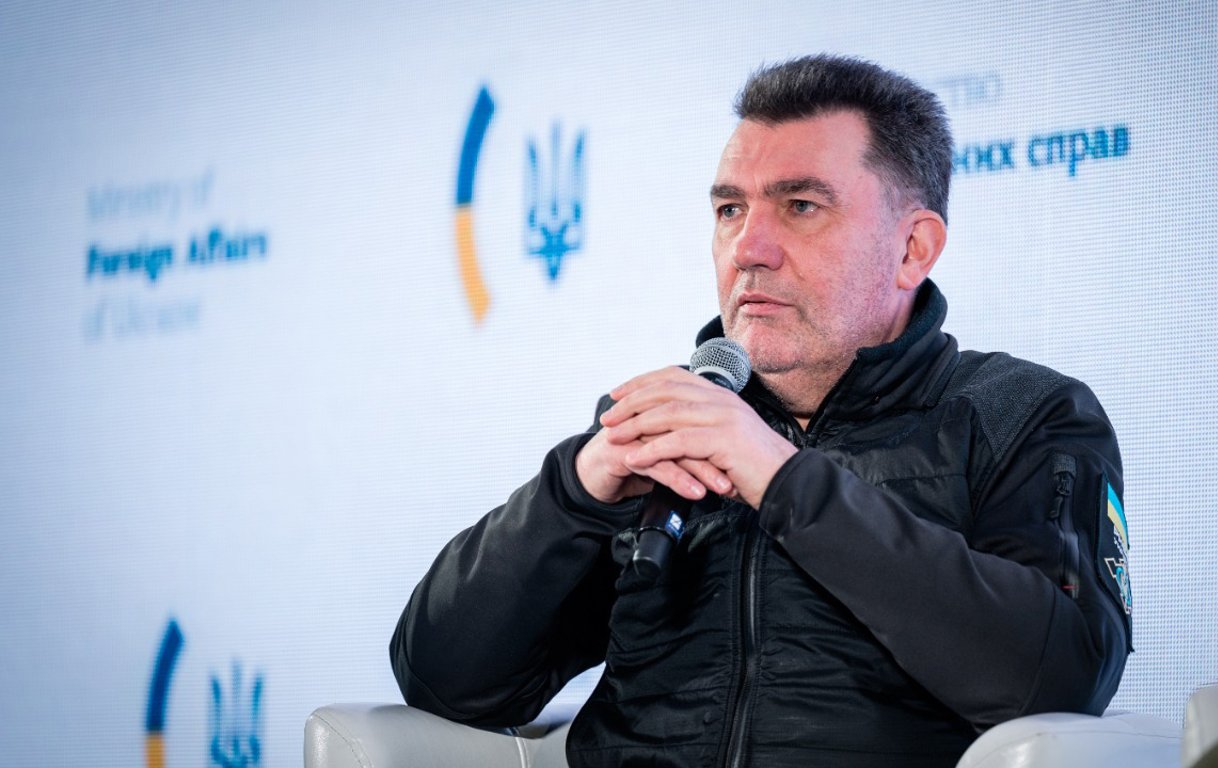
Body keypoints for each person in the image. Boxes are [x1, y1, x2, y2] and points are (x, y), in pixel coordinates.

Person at [391, 54, 1132, 768]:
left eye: (801, 206)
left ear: (913, 248)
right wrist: (574, 495)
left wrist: (782, 481)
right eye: (730, 209)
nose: (749, 247)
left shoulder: (1021, 416)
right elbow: (446, 682)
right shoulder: (670, 421)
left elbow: (1059, 678)